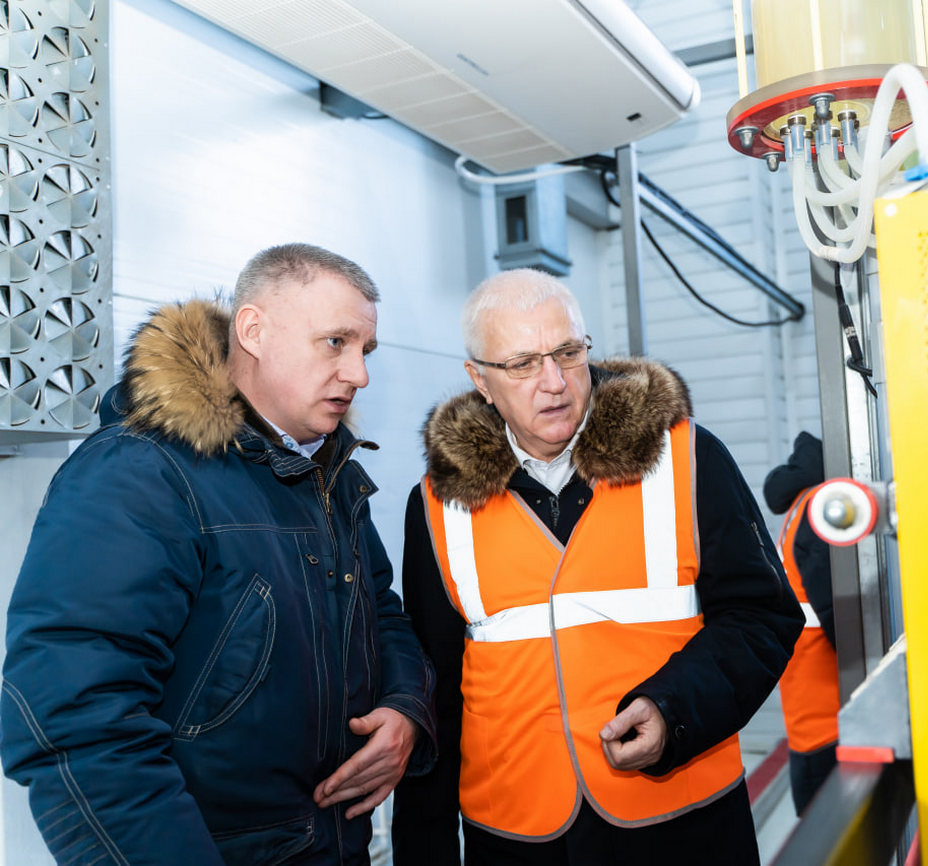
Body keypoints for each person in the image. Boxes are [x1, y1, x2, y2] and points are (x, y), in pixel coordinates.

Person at [1, 243, 436, 865]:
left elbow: (380, 611)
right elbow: (76, 723)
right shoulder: (139, 473)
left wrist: (404, 707)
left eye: (365, 350)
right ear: (253, 331)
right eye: (336, 343)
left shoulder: (326, 471)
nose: (359, 374)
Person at [390, 268, 802, 865]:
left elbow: (762, 617)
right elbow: (433, 688)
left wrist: (674, 710)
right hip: (516, 838)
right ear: (480, 380)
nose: (554, 382)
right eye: (522, 364)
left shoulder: (685, 456)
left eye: (568, 352)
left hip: (683, 826)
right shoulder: (437, 505)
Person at [763, 431, 840, 816]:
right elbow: (835, 614)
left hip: (808, 712)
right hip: (831, 718)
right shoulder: (822, 509)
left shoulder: (800, 506)